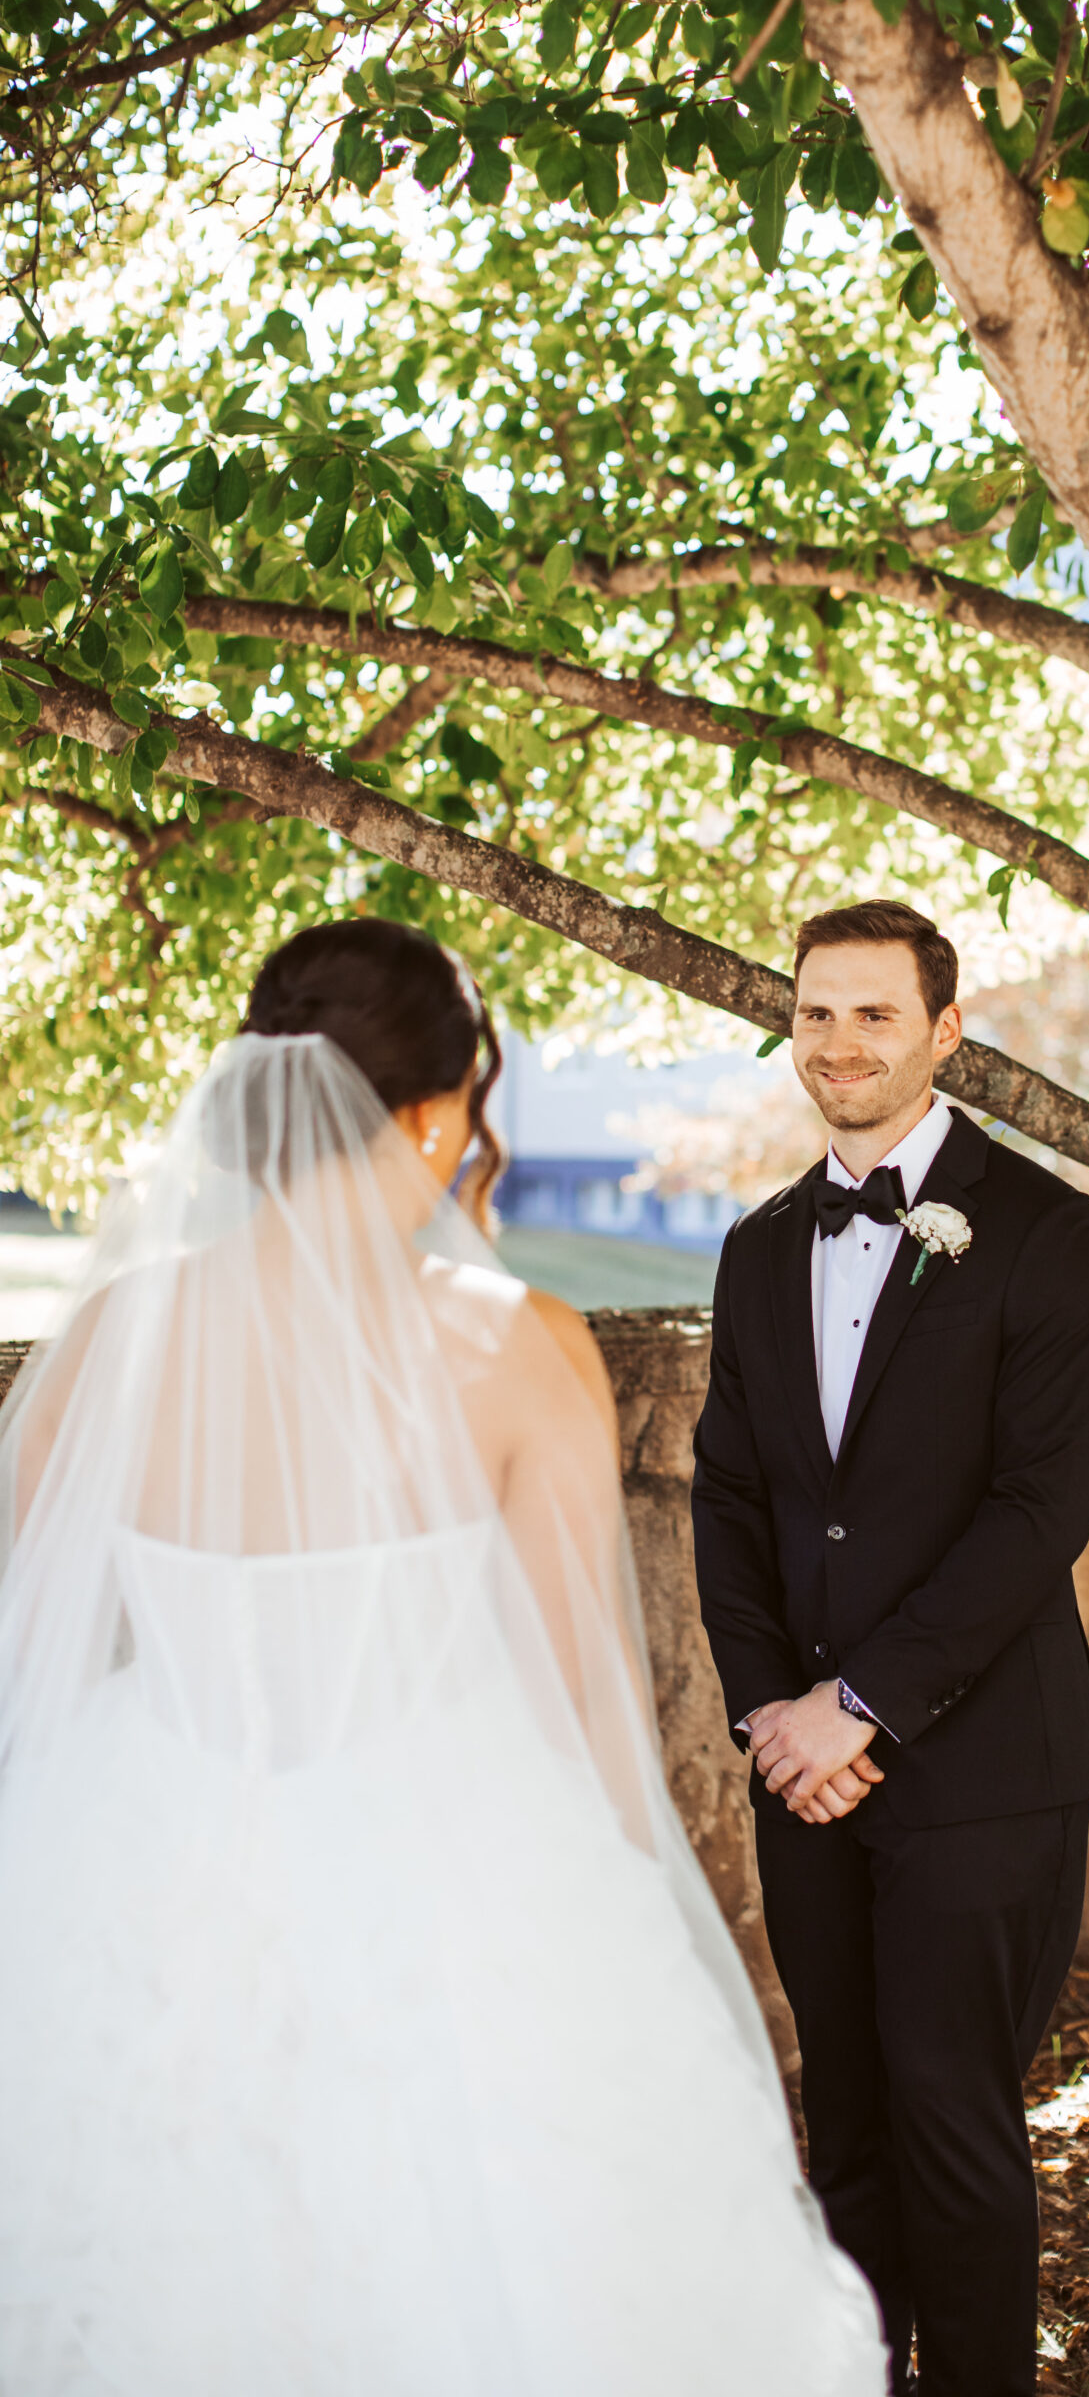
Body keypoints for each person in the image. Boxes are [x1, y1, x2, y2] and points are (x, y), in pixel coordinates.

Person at [0, 918, 885, 2397]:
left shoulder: (105, 1340)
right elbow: (581, 1690)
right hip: (447, 1861)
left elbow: (43, 1639)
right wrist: (630, 1931)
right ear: (429, 1118)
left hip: (143, 1852)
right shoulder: (514, 1343)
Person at [692, 899, 1089, 2397]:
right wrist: (772, 1713)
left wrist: (861, 1705)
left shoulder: (1048, 1232)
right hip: (802, 1774)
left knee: (955, 2127)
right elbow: (732, 1499)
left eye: (875, 1012)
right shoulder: (759, 1248)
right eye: (815, 1011)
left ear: (944, 1031)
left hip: (983, 1763)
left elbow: (1039, 1510)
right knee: (848, 2133)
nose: (840, 1041)